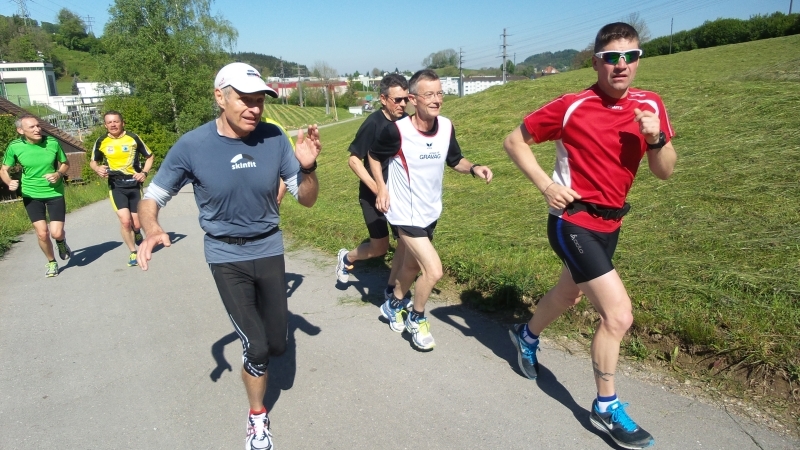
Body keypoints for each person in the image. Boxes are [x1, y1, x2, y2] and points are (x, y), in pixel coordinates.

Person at [503, 22, 677, 449]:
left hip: (611, 223)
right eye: (612, 57)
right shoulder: (572, 105)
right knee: (617, 315)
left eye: (630, 57)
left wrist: (655, 139)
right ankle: (606, 404)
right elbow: (514, 141)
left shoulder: (650, 105)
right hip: (572, 220)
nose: (622, 65)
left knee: (569, 294)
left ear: (638, 60)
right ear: (597, 60)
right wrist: (546, 184)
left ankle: (525, 337)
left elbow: (665, 170)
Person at [135, 62, 321, 450]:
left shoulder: (273, 138)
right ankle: (257, 417)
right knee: (256, 347)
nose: (254, 109)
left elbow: (306, 200)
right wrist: (152, 228)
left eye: (259, 101)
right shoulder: (192, 145)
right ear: (220, 97)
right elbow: (152, 196)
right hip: (225, 255)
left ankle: (262, 354)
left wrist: (309, 168)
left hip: (269, 248)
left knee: (277, 345)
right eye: (245, 100)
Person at [369, 69, 493, 350]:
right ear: (413, 99)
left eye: (440, 93)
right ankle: (417, 317)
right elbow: (374, 157)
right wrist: (382, 186)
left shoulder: (446, 127)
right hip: (404, 212)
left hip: (430, 211)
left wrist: (473, 168)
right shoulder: (397, 131)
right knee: (433, 271)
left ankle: (393, 304)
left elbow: (455, 159)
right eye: (429, 95)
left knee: (412, 265)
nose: (436, 100)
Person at [335, 74, 411, 305]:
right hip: (372, 194)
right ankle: (346, 257)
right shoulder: (373, 123)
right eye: (397, 100)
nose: (402, 104)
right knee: (380, 247)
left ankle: (392, 289)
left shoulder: (406, 123)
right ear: (383, 99)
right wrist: (379, 189)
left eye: (405, 99)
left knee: (406, 242)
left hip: (398, 194)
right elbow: (354, 161)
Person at [1, 114, 71, 277]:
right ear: (21, 130)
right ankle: (51, 262)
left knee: (56, 233)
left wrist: (58, 174)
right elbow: (4, 169)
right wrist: (9, 182)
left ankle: (61, 243)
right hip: (31, 193)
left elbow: (66, 164)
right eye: (32, 127)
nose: (37, 129)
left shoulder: (52, 142)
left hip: (54, 191)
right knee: (42, 233)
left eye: (38, 126)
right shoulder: (15, 146)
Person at [90, 111, 154, 267]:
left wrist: (144, 173)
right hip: (116, 186)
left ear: (122, 123)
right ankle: (133, 251)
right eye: (109, 122)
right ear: (105, 125)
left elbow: (150, 156)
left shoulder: (133, 138)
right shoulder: (101, 141)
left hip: (134, 185)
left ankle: (137, 232)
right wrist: (97, 169)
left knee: (137, 224)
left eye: (116, 121)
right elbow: (93, 161)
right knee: (125, 222)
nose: (113, 125)